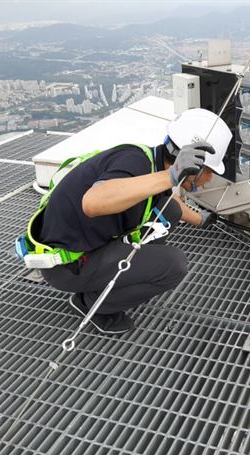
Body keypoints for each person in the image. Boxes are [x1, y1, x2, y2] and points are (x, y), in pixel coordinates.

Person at [36, 108, 232, 335]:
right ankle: (92, 304)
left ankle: (106, 282)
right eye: (208, 171)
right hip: (69, 266)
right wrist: (172, 176)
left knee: (167, 213)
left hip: (84, 246)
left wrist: (202, 219)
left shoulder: (149, 161)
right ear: (192, 166)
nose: (209, 178)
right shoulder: (137, 163)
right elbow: (92, 202)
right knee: (173, 265)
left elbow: (169, 202)